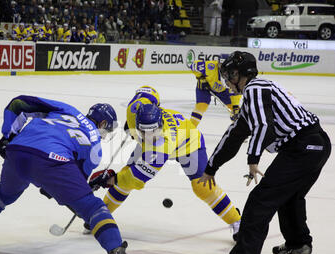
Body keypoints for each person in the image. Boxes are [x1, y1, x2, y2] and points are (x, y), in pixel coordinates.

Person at [0, 95, 150, 254]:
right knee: (93, 208)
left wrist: (8, 136)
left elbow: (18, 104)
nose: (105, 136)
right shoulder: (95, 144)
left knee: (1, 195)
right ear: (103, 123)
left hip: (17, 151)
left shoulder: (67, 109)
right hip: (53, 161)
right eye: (107, 131)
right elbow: (74, 183)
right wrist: (54, 187)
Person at [199, 51, 331, 254]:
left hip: (303, 147)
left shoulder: (255, 88)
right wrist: (212, 167)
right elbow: (234, 135)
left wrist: (253, 159)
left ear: (238, 73)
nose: (227, 81)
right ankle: (299, 243)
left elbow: (263, 126)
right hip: (315, 145)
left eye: (229, 75)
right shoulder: (256, 94)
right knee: (290, 196)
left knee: (261, 200)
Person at [88, 86, 241, 241]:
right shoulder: (134, 109)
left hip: (189, 143)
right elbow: (148, 91)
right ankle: (101, 216)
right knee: (125, 177)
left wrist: (110, 179)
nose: (150, 136)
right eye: (145, 132)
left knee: (203, 187)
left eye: (153, 131)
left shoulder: (161, 146)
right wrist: (133, 127)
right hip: (159, 139)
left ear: (160, 125)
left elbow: (136, 179)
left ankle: (237, 221)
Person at [189, 59, 243, 127]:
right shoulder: (210, 66)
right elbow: (193, 66)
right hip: (204, 88)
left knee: (235, 111)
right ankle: (190, 128)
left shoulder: (233, 75)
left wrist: (235, 107)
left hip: (222, 91)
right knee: (201, 107)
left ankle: (238, 129)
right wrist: (201, 78)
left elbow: (235, 92)